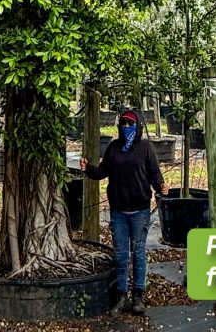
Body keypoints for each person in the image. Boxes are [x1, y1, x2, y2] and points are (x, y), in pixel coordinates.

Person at [81, 108, 165, 315]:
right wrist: (88, 169)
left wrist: (161, 186)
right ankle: (122, 295)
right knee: (120, 255)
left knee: (138, 253)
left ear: (137, 126)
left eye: (130, 123)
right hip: (118, 211)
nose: (126, 127)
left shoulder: (145, 148)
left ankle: (138, 295)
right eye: (123, 123)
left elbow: (154, 173)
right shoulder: (113, 148)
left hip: (140, 211)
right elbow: (103, 171)